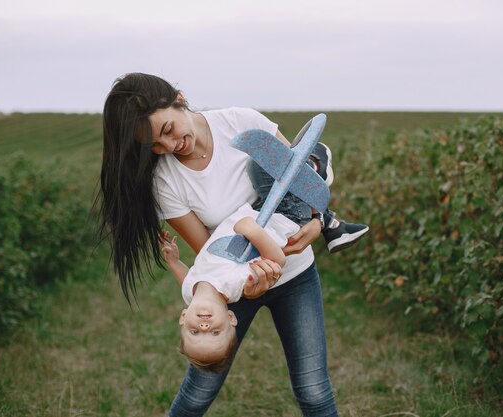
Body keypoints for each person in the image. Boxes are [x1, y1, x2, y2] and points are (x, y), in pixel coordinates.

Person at [98, 72, 364, 416]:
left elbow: (295, 178)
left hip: (296, 276)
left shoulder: (241, 122)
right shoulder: (164, 180)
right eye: (154, 147)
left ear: (179, 99)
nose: (167, 148)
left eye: (166, 131)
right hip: (230, 289)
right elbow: (210, 250)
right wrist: (249, 285)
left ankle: (329, 208)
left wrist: (315, 222)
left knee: (313, 391)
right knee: (197, 394)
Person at [162, 152, 369, 373]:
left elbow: (186, 278)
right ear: (230, 318)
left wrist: (174, 261)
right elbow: (277, 260)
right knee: (261, 164)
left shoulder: (190, 292)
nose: (204, 326)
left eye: (196, 332)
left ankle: (330, 221)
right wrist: (251, 231)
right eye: (215, 332)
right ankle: (316, 165)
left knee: (261, 166)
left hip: (260, 212)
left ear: (183, 318)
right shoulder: (234, 284)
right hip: (285, 218)